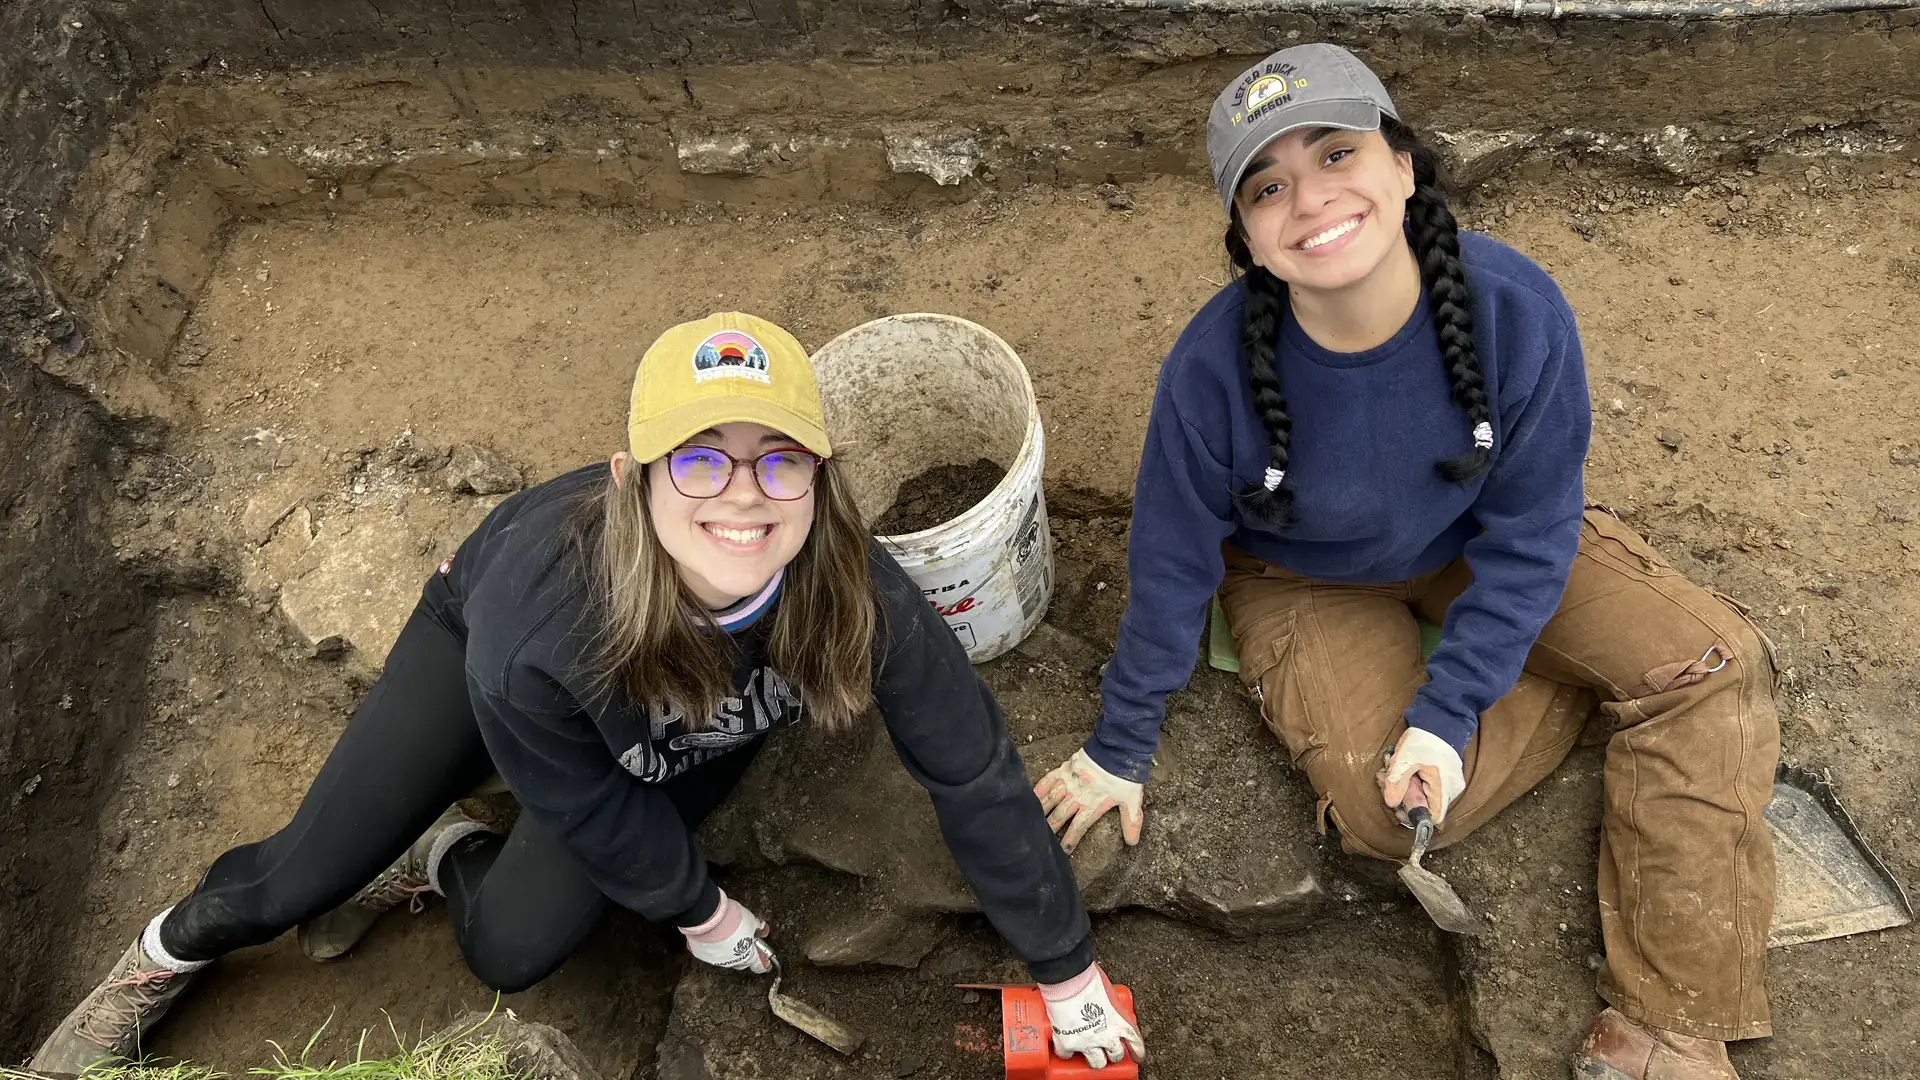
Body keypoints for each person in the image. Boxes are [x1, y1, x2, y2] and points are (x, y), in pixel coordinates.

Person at [34, 312, 1145, 1074]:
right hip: (493, 656)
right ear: (635, 478)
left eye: (779, 460)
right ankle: (171, 948)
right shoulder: (536, 624)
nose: (743, 500)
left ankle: (445, 852)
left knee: (509, 950)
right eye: (700, 462)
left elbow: (971, 770)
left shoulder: (855, 588)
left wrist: (1067, 970)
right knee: (294, 878)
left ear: (820, 475)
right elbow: (581, 798)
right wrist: (702, 909)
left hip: (669, 723)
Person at [1033, 44, 1777, 1080]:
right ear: (1246, 234)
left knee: (1713, 663)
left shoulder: (1515, 308)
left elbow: (1527, 522)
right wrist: (1117, 748)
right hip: (1302, 577)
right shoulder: (1209, 375)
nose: (1312, 199)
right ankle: (1574, 691)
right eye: (1270, 186)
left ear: (1404, 167)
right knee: (1394, 822)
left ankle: (1666, 1024)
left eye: (1339, 153)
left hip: (1478, 541)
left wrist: (1447, 708)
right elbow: (1168, 562)